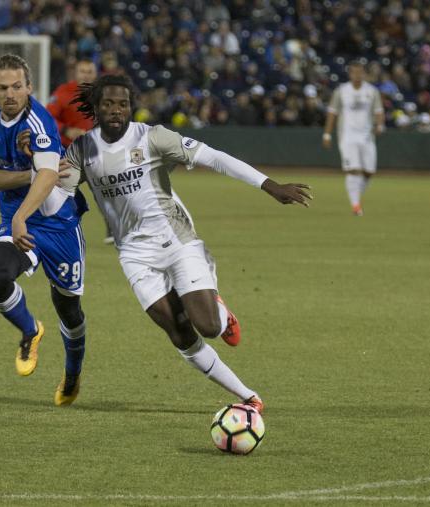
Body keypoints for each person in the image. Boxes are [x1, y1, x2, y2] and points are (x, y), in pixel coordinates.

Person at [19, 75, 313, 413]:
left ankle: (218, 309)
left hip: (175, 239)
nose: (116, 110)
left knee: (208, 326)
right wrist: (36, 163)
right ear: (96, 109)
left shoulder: (153, 137)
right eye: (108, 104)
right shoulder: (82, 150)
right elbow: (56, 195)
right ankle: (249, 396)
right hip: (133, 254)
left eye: (123, 104)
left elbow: (214, 157)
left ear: (132, 107)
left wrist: (270, 186)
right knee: (178, 331)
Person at [0, 54, 88, 406]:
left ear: (29, 87)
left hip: (58, 224)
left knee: (69, 310)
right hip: (17, 220)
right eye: (3, 87)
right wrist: (27, 177)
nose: (11, 94)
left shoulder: (39, 122)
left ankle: (71, 375)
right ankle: (29, 330)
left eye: (17, 86)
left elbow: (50, 175)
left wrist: (25, 209)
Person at [47, 59, 115, 244]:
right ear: (75, 74)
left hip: (95, 151)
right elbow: (48, 117)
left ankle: (113, 230)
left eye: (89, 71)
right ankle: (57, 230)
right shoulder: (63, 93)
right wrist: (66, 130)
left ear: (95, 74)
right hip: (68, 152)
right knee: (63, 193)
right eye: (82, 71)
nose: (86, 75)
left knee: (106, 190)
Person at [323, 61, 385, 216]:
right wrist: (327, 134)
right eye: (354, 72)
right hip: (347, 136)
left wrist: (379, 125)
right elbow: (332, 113)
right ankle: (356, 206)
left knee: (369, 172)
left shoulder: (371, 91)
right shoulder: (341, 91)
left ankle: (356, 196)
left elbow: (379, 111)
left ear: (364, 73)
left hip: (366, 137)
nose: (357, 75)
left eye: (360, 72)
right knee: (353, 171)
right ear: (350, 74)